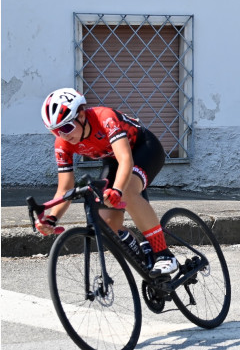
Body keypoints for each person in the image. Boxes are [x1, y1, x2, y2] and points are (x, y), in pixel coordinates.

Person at [38, 88, 177, 276]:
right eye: (55, 132)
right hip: (113, 160)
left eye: (66, 128)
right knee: (105, 221)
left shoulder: (104, 117)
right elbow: (65, 188)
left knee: (126, 191)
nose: (63, 135)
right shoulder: (63, 143)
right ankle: (146, 258)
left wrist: (118, 190)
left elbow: (126, 159)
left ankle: (164, 255)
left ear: (81, 115)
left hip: (143, 150)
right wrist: (52, 218)